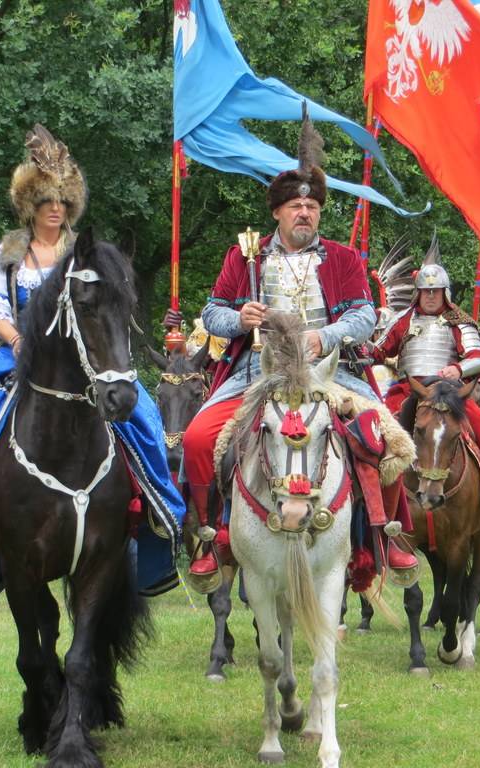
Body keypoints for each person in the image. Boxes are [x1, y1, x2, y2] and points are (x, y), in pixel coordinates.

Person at [0, 125, 183, 610]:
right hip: (18, 355)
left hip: (87, 361)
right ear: (30, 205)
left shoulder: (83, 253)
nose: (56, 209)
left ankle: (160, 516)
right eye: (47, 200)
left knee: (145, 421)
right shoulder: (10, 251)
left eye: (63, 201)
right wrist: (20, 341)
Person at [181, 117, 418, 592]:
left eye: (312, 206)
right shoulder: (243, 257)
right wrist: (239, 319)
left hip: (329, 375)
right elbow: (211, 313)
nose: (305, 213)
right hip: (255, 374)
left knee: (389, 439)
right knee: (197, 439)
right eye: (296, 206)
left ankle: (383, 535)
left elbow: (364, 316)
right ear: (278, 213)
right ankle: (212, 536)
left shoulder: (344, 259)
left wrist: (325, 336)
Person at [372, 262, 480, 510]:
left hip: (447, 390)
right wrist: (360, 349)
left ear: (445, 293)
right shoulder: (404, 320)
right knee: (378, 429)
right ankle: (369, 486)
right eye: (426, 291)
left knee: (478, 422)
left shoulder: (459, 322)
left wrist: (458, 369)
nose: (430, 296)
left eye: (435, 291)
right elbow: (378, 350)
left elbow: (479, 358)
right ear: (418, 292)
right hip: (408, 390)